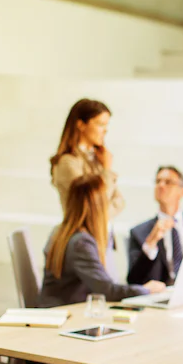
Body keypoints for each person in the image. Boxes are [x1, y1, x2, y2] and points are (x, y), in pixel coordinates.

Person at [39, 174, 165, 364]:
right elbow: (107, 290)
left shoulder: (63, 232)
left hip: (65, 318)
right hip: (70, 326)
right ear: (95, 206)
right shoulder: (81, 242)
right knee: (138, 343)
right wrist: (147, 289)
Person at [50, 98, 124, 278]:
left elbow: (119, 201)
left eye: (106, 125)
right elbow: (91, 206)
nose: (105, 130)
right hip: (83, 240)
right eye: (100, 124)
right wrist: (106, 170)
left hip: (102, 237)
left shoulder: (96, 159)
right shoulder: (68, 163)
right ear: (81, 125)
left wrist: (101, 209)